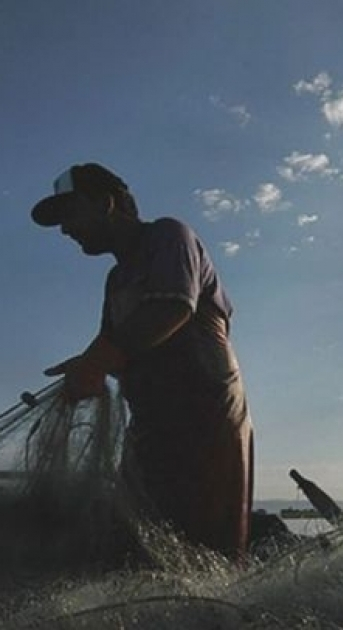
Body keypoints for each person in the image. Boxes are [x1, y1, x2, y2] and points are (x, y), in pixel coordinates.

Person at [31, 163, 253, 562]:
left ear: (105, 203)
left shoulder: (169, 235)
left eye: (69, 214)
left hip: (207, 424)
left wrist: (97, 361)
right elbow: (112, 348)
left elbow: (172, 308)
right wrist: (83, 371)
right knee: (137, 547)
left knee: (208, 552)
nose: (65, 229)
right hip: (151, 430)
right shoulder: (116, 281)